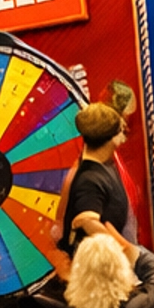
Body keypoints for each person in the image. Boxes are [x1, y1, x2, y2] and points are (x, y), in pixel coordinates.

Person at [59, 102, 132, 250]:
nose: (124, 135)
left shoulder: (103, 163)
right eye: (120, 131)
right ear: (112, 138)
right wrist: (124, 251)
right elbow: (86, 220)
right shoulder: (89, 180)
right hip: (100, 266)